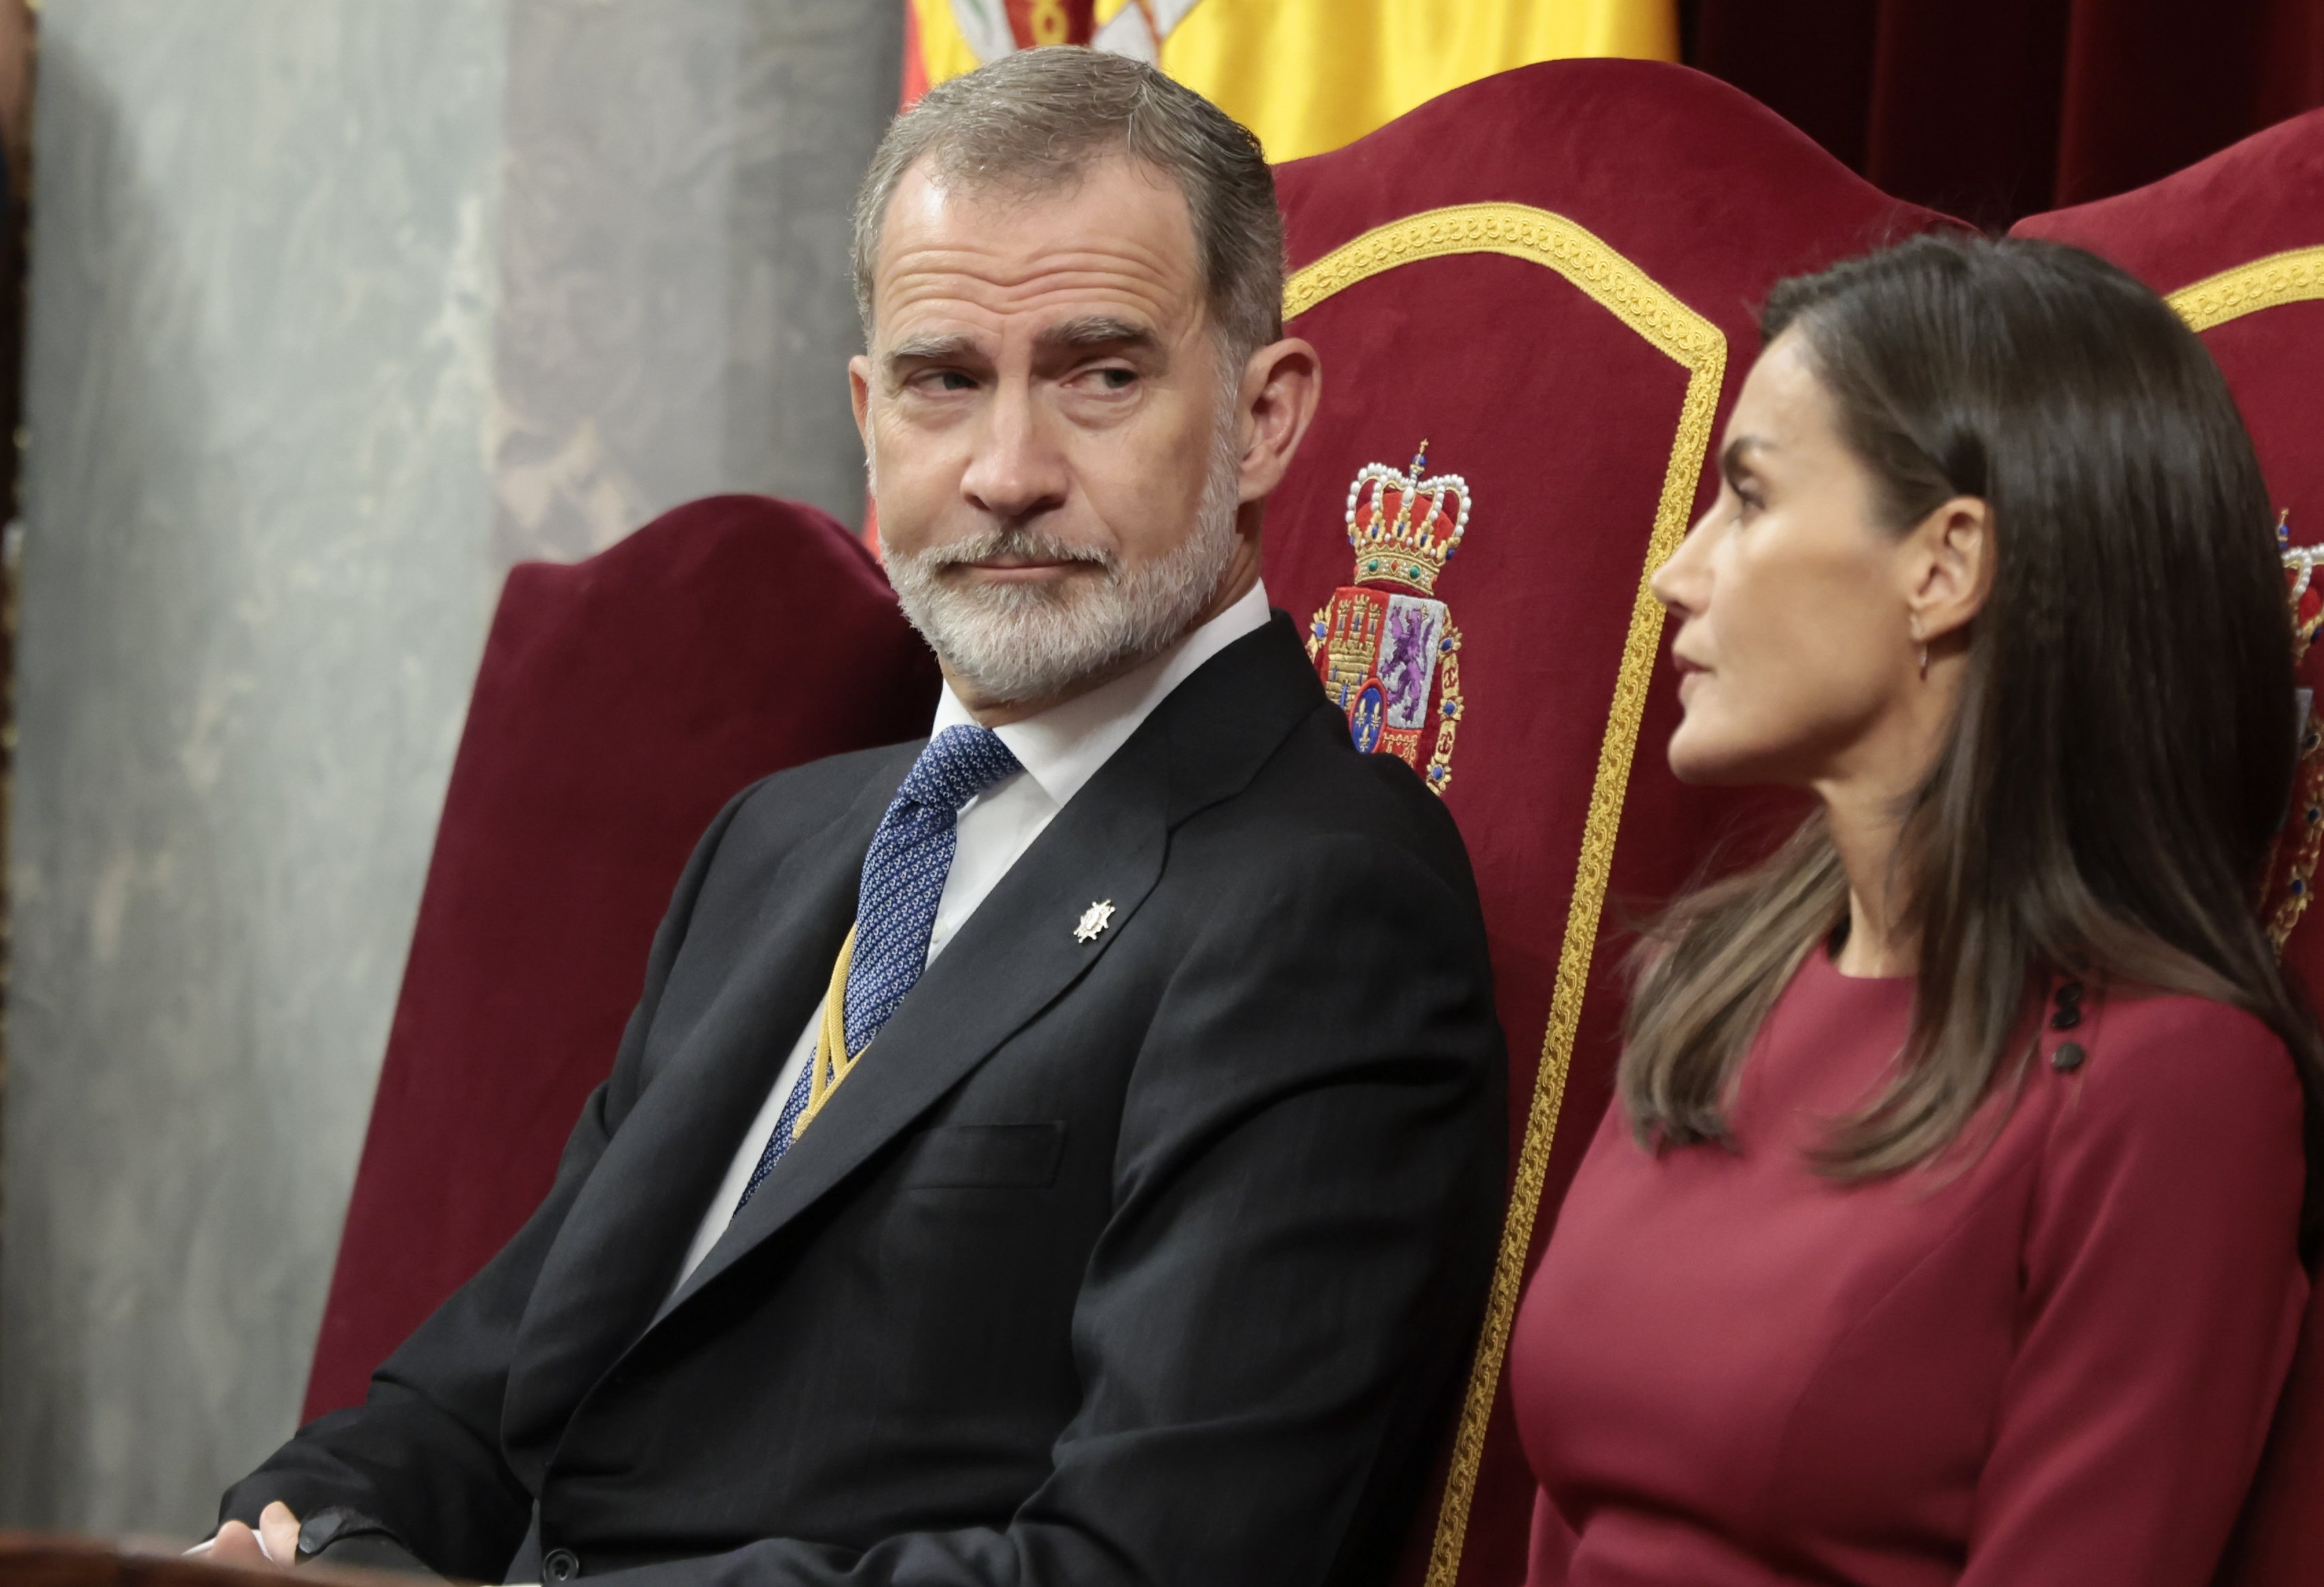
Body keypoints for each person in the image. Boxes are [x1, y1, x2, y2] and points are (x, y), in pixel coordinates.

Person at [204, 46, 1508, 1587]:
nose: (1007, 472)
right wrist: (306, 1537)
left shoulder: (1321, 904)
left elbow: (1143, 1563)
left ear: (1266, 417)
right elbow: (487, 1392)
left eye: (1100, 373)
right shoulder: (777, 840)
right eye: (943, 381)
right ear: (865, 413)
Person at [1512, 234, 2321, 1586]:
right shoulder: (1714, 977)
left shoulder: (2169, 1083)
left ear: (1943, 565)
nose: (1677, 573)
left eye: (1749, 497)